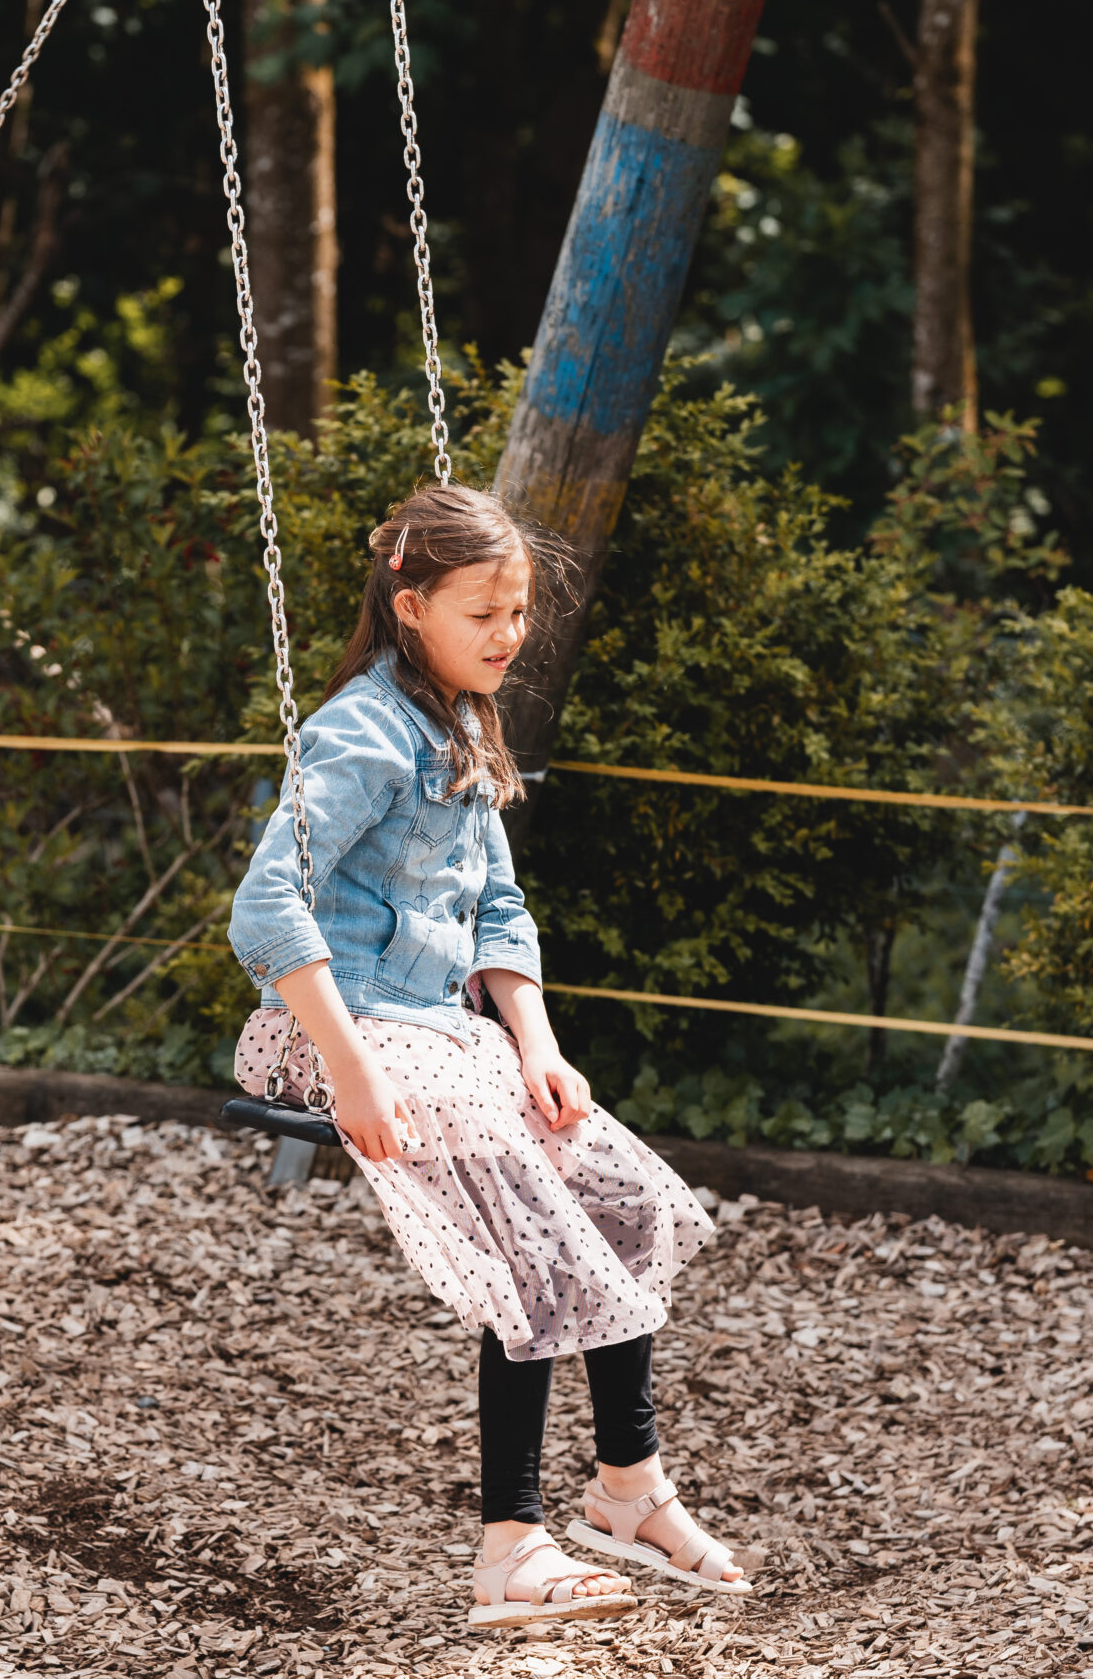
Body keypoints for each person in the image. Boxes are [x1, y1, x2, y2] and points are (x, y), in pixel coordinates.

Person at [226, 484, 750, 1627]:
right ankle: (510, 1545)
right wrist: (353, 1070)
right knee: (532, 1231)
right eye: (484, 614)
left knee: (618, 1193)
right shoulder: (359, 732)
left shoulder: (461, 722)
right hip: (338, 1029)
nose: (510, 636)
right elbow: (266, 910)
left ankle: (627, 1491)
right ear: (410, 605)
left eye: (519, 612)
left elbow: (500, 908)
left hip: (447, 1030)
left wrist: (539, 1047)